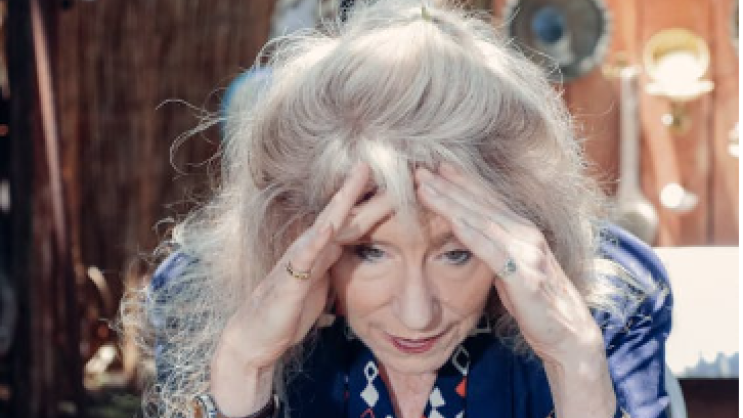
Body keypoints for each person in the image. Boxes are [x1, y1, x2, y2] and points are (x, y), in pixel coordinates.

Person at [125, 1, 673, 417]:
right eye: (370, 251)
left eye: (456, 253)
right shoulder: (195, 295)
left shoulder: (609, 300)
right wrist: (244, 367)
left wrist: (575, 364)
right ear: (292, 228)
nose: (417, 316)